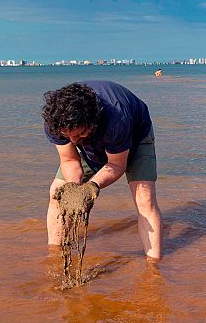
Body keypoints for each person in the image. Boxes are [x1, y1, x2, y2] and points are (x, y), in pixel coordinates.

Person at [42, 81, 162, 261]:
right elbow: (69, 159)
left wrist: (92, 186)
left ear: (91, 122)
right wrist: (75, 190)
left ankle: (154, 267)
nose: (74, 141)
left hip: (136, 134)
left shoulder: (116, 118)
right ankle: (54, 255)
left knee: (145, 200)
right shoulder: (56, 121)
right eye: (69, 136)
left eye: (79, 134)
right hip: (94, 133)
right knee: (57, 193)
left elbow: (116, 164)